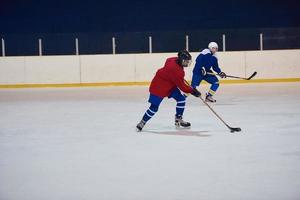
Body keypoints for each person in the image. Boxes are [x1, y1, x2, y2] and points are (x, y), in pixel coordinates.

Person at [136, 50, 201, 132]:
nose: (188, 63)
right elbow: (183, 87)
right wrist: (193, 91)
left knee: (181, 99)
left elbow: (171, 67)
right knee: (154, 107)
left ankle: (178, 119)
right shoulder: (177, 71)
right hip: (158, 87)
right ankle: (142, 122)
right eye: (186, 61)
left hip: (170, 86)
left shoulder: (172, 59)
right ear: (181, 60)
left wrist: (174, 76)